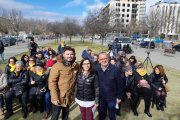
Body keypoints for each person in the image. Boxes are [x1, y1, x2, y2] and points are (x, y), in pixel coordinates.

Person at [49, 46, 79, 120]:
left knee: (65, 115)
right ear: (63, 55)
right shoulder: (57, 66)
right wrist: (55, 98)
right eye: (67, 54)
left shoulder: (76, 66)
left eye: (71, 54)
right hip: (58, 96)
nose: (69, 56)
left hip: (68, 96)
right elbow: (52, 82)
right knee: (55, 115)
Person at [96, 52, 124, 120]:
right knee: (102, 114)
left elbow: (120, 85)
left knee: (112, 115)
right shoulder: (96, 69)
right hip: (101, 97)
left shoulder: (116, 70)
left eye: (105, 58)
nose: (104, 60)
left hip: (112, 98)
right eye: (101, 59)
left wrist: (119, 97)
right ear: (99, 60)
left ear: (108, 58)